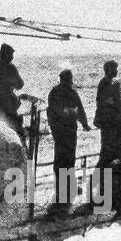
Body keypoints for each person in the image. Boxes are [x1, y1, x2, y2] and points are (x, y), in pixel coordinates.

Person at [46, 69, 90, 205]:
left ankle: (65, 188)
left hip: (62, 130)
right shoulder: (69, 93)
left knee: (64, 158)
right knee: (65, 158)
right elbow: (77, 110)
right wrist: (84, 123)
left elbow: (77, 110)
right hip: (65, 130)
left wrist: (83, 122)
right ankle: (63, 189)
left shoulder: (54, 92)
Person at [94, 60, 121, 172]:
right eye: (114, 69)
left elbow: (116, 100)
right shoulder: (104, 84)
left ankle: (113, 175)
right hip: (108, 122)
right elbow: (104, 102)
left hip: (115, 122)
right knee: (106, 151)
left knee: (116, 150)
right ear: (108, 70)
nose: (116, 71)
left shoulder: (114, 83)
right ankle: (100, 178)